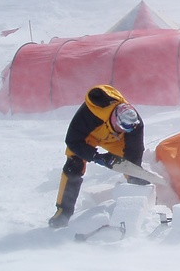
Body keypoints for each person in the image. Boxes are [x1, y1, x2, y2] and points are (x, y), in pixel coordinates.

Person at [48, 84, 148, 228]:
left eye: (128, 130)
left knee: (132, 168)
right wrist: (96, 156)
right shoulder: (88, 115)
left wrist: (135, 173)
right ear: (115, 119)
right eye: (123, 128)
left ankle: (139, 207)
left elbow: (135, 152)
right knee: (74, 166)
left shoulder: (134, 124)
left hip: (114, 139)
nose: (126, 131)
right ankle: (63, 212)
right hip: (88, 137)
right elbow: (73, 141)